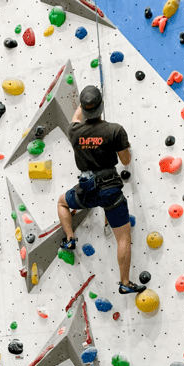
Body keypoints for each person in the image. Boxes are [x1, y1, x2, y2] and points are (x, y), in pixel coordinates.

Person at [57, 85, 146, 295]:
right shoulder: (114, 130)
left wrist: (83, 104)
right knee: (123, 238)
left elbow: (76, 117)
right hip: (110, 192)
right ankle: (125, 281)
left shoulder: (74, 131)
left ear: (84, 109)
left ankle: (69, 239)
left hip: (86, 190)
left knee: (62, 202)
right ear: (101, 107)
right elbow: (125, 161)